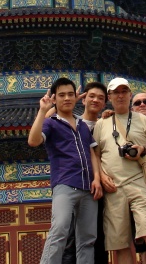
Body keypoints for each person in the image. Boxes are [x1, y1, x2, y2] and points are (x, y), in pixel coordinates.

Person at [28, 77, 103, 263]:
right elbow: (33, 141)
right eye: (62, 95)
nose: (67, 98)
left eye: (71, 94)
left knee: (87, 238)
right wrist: (42, 110)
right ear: (54, 99)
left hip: (88, 188)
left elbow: (92, 152)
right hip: (65, 184)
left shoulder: (82, 124)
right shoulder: (51, 123)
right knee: (59, 230)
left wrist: (97, 178)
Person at [93, 77, 146, 264]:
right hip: (113, 188)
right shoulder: (102, 124)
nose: (120, 96)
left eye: (124, 91)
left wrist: (143, 149)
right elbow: (95, 154)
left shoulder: (143, 120)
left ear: (129, 94)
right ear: (109, 97)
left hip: (139, 182)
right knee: (120, 240)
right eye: (116, 92)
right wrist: (100, 175)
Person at [60, 82, 109, 264]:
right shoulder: (72, 122)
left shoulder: (108, 124)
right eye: (91, 96)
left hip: (102, 190)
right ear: (84, 98)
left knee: (99, 237)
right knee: (71, 237)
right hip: (77, 185)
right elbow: (49, 118)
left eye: (100, 98)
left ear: (106, 102)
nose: (95, 100)